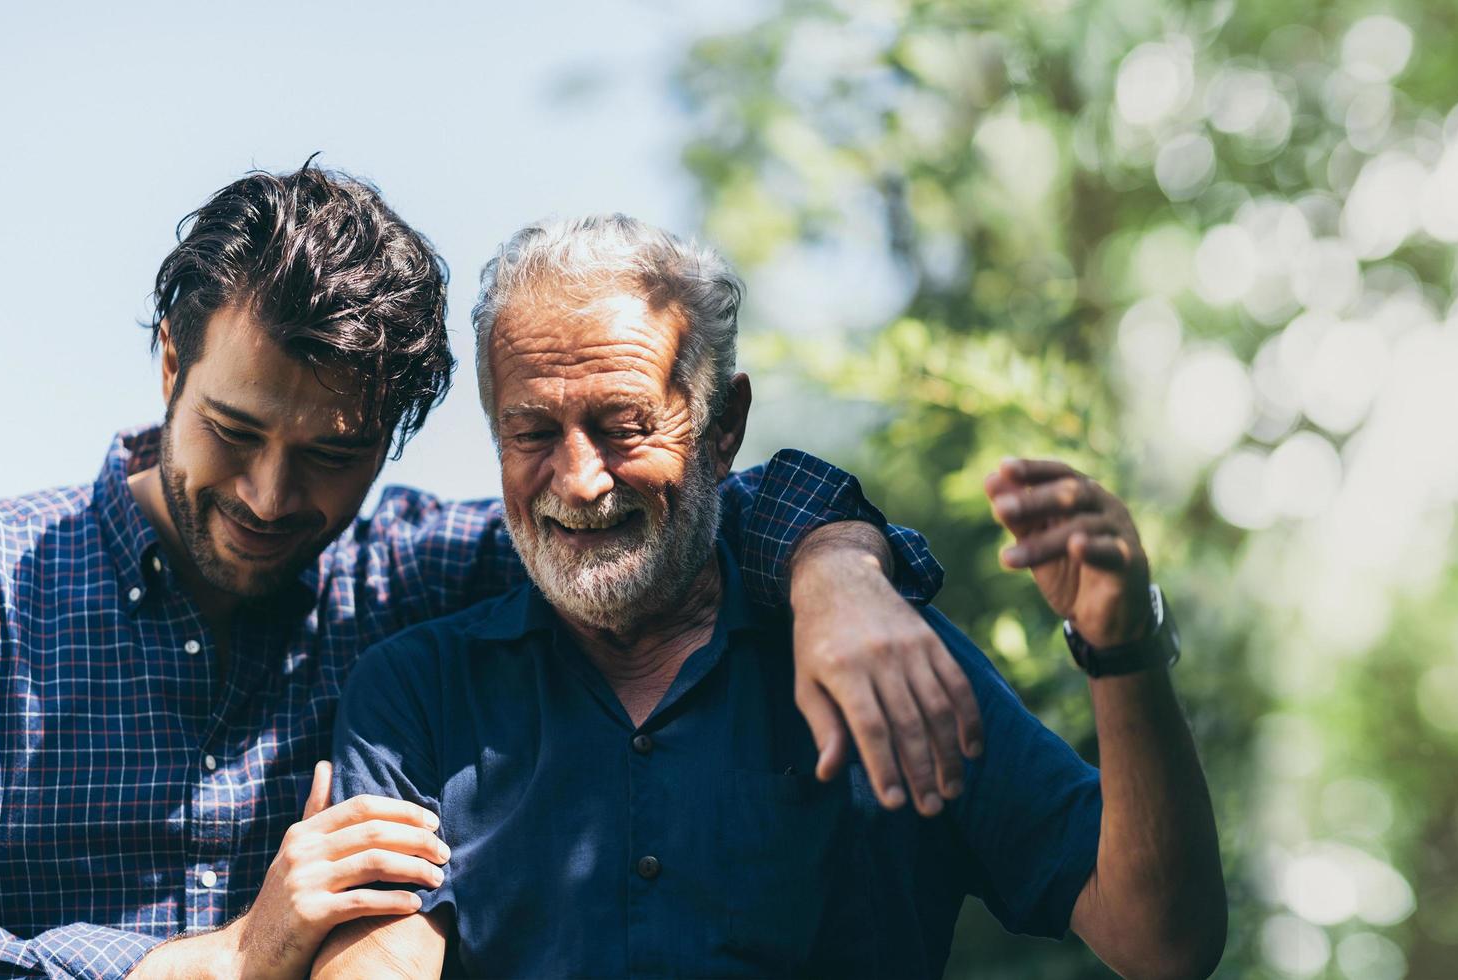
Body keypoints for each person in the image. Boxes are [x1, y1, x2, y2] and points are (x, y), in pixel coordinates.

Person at [0, 164, 982, 979]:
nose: (273, 497)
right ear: (170, 361)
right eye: (234, 431)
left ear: (396, 435)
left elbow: (674, 506)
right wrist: (228, 960)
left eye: (333, 454)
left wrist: (841, 567)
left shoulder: (419, 578)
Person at [314, 214, 1226, 978]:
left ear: (723, 427)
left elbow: (1162, 939)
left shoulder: (885, 653)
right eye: (532, 432)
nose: (581, 479)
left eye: (623, 426)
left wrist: (1122, 645)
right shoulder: (416, 693)